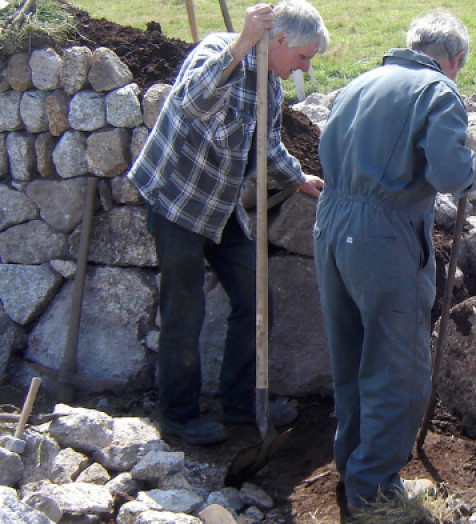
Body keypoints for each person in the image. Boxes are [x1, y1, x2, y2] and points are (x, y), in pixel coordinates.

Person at [127, 0, 329, 446]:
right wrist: (240, 45)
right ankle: (178, 416)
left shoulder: (271, 88)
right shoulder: (216, 53)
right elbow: (193, 102)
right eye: (302, 56)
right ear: (278, 41)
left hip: (219, 206)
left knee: (257, 299)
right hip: (178, 200)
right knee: (184, 309)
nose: (303, 66)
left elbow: (268, 146)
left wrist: (298, 179)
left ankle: (243, 403)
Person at [312, 9, 476, 511]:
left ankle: (353, 463)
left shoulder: (361, 82)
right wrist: (475, 167)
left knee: (352, 351)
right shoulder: (437, 91)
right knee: (398, 365)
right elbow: (451, 173)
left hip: (332, 223)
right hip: (383, 234)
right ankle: (375, 490)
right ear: (453, 58)